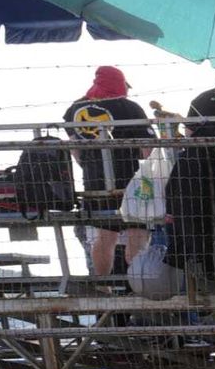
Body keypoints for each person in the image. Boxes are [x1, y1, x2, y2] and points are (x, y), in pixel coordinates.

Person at [62, 65, 156, 276]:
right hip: (129, 181)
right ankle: (138, 285)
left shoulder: (75, 109)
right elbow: (148, 150)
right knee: (137, 233)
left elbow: (74, 148)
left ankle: (103, 287)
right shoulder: (129, 108)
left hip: (93, 181)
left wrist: (89, 166)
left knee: (105, 237)